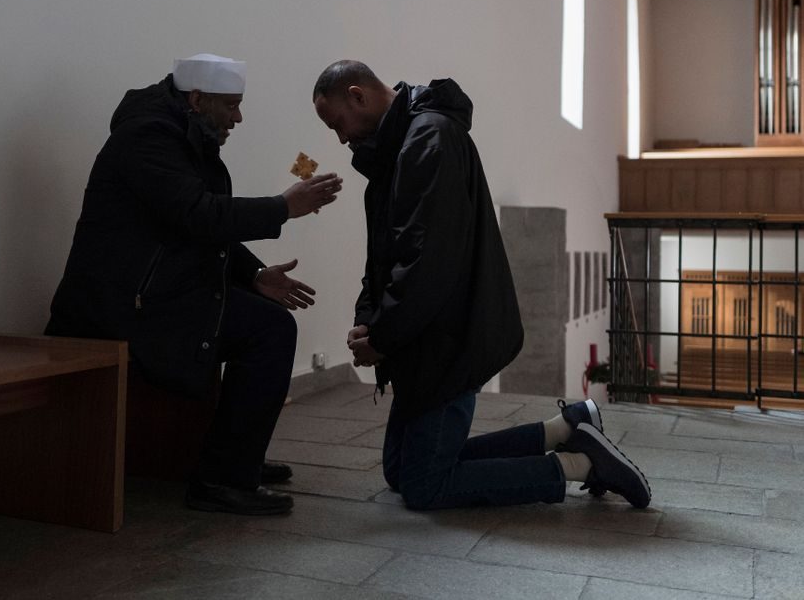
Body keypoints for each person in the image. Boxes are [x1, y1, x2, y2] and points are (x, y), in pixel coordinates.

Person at [311, 60, 650, 510]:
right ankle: (563, 431)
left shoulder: (428, 139)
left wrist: (384, 336)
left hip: (447, 339)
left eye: (338, 123)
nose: (340, 138)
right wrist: (366, 322)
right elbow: (384, 255)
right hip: (424, 339)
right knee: (402, 471)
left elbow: (427, 264)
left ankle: (582, 466)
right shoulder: (395, 151)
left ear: (358, 96)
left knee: (425, 486)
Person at [46, 53, 343, 516]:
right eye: (231, 105)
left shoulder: (180, 134)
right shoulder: (147, 137)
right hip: (120, 307)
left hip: (154, 296)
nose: (238, 117)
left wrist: (254, 275)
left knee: (264, 320)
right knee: (269, 331)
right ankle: (222, 478)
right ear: (198, 98)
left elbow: (195, 225)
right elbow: (197, 215)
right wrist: (282, 207)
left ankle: (234, 458)